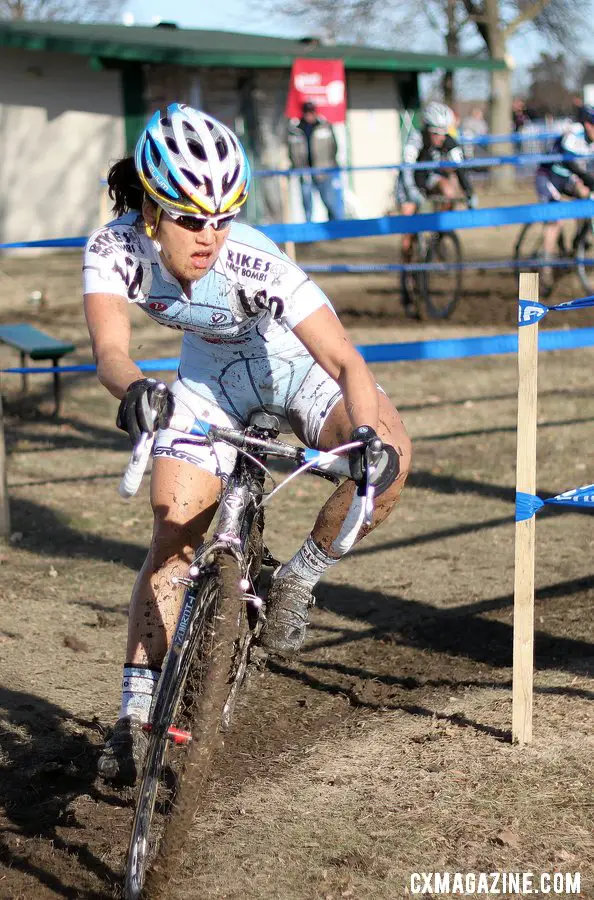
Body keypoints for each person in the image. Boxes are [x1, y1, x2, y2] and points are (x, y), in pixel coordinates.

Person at [83, 103, 411, 785]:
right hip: (206, 380)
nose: (209, 237)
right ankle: (133, 714)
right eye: (190, 220)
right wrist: (137, 389)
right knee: (172, 537)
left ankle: (300, 576)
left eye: (224, 216)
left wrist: (368, 435)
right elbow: (111, 351)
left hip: (291, 369)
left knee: (391, 463)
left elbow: (345, 361)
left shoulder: (253, 259)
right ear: (150, 209)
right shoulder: (114, 250)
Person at [395, 101, 477, 318]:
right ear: (427, 130)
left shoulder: (449, 141)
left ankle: (440, 234)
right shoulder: (415, 139)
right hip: (409, 183)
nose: (441, 137)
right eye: (436, 133)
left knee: (448, 189)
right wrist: (412, 192)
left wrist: (470, 194)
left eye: (444, 133)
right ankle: (407, 279)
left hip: (428, 179)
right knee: (407, 233)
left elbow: (460, 168)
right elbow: (406, 170)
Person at [534, 104, 594, 294]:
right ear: (587, 125)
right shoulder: (574, 132)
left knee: (586, 198)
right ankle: (546, 269)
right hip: (548, 176)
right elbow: (571, 161)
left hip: (567, 178)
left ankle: (580, 241)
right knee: (556, 221)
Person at [287, 100, 344, 222]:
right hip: (305, 172)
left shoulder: (325, 126)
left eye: (311, 112)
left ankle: (334, 228)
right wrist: (296, 166)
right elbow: (291, 151)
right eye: (307, 112)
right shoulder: (295, 130)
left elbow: (334, 147)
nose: (309, 115)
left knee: (329, 200)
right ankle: (309, 233)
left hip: (323, 171)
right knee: (307, 204)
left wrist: (330, 165)